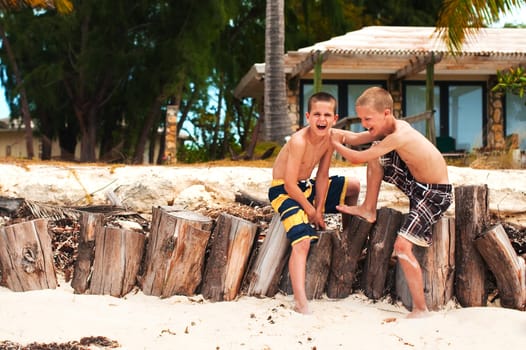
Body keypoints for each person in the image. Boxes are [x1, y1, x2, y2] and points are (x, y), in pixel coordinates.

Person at [330, 86, 453, 318]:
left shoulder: (400, 135)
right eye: (361, 119)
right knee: (377, 152)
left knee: (402, 247)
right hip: (416, 185)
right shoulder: (388, 130)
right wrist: (333, 133)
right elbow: (356, 138)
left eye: (368, 118)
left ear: (386, 113)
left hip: (434, 194)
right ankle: (368, 209)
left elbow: (356, 157)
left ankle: (420, 308)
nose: (364, 123)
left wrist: (335, 145)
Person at [268, 91, 374, 314]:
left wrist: (318, 208)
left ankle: (347, 239)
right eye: (317, 114)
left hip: (307, 186)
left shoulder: (330, 138)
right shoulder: (299, 141)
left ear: (335, 118)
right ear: (307, 116)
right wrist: (310, 211)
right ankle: (301, 303)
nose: (321, 119)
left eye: (327, 115)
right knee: (303, 242)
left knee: (353, 186)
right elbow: (288, 184)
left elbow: (323, 175)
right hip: (284, 190)